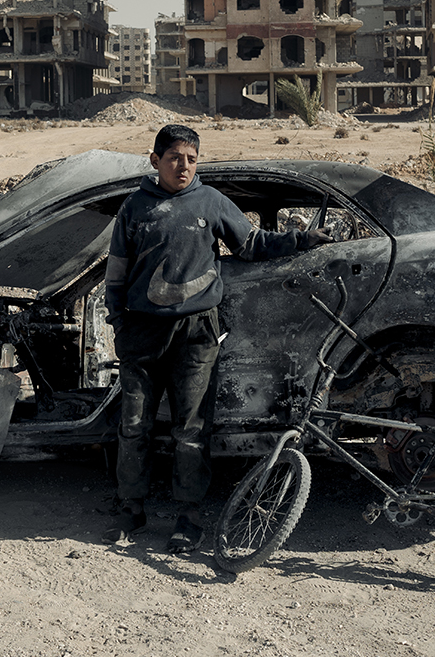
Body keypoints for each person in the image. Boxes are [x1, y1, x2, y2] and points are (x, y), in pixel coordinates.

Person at [102, 123, 332, 551]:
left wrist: (302, 240)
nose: (183, 166)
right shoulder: (135, 208)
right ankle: (129, 511)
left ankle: (187, 519)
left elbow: (252, 244)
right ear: (155, 161)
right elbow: (115, 275)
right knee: (134, 427)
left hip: (196, 334)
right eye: (174, 158)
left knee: (191, 430)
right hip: (142, 332)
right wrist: (120, 324)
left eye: (191, 158)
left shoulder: (212, 201)